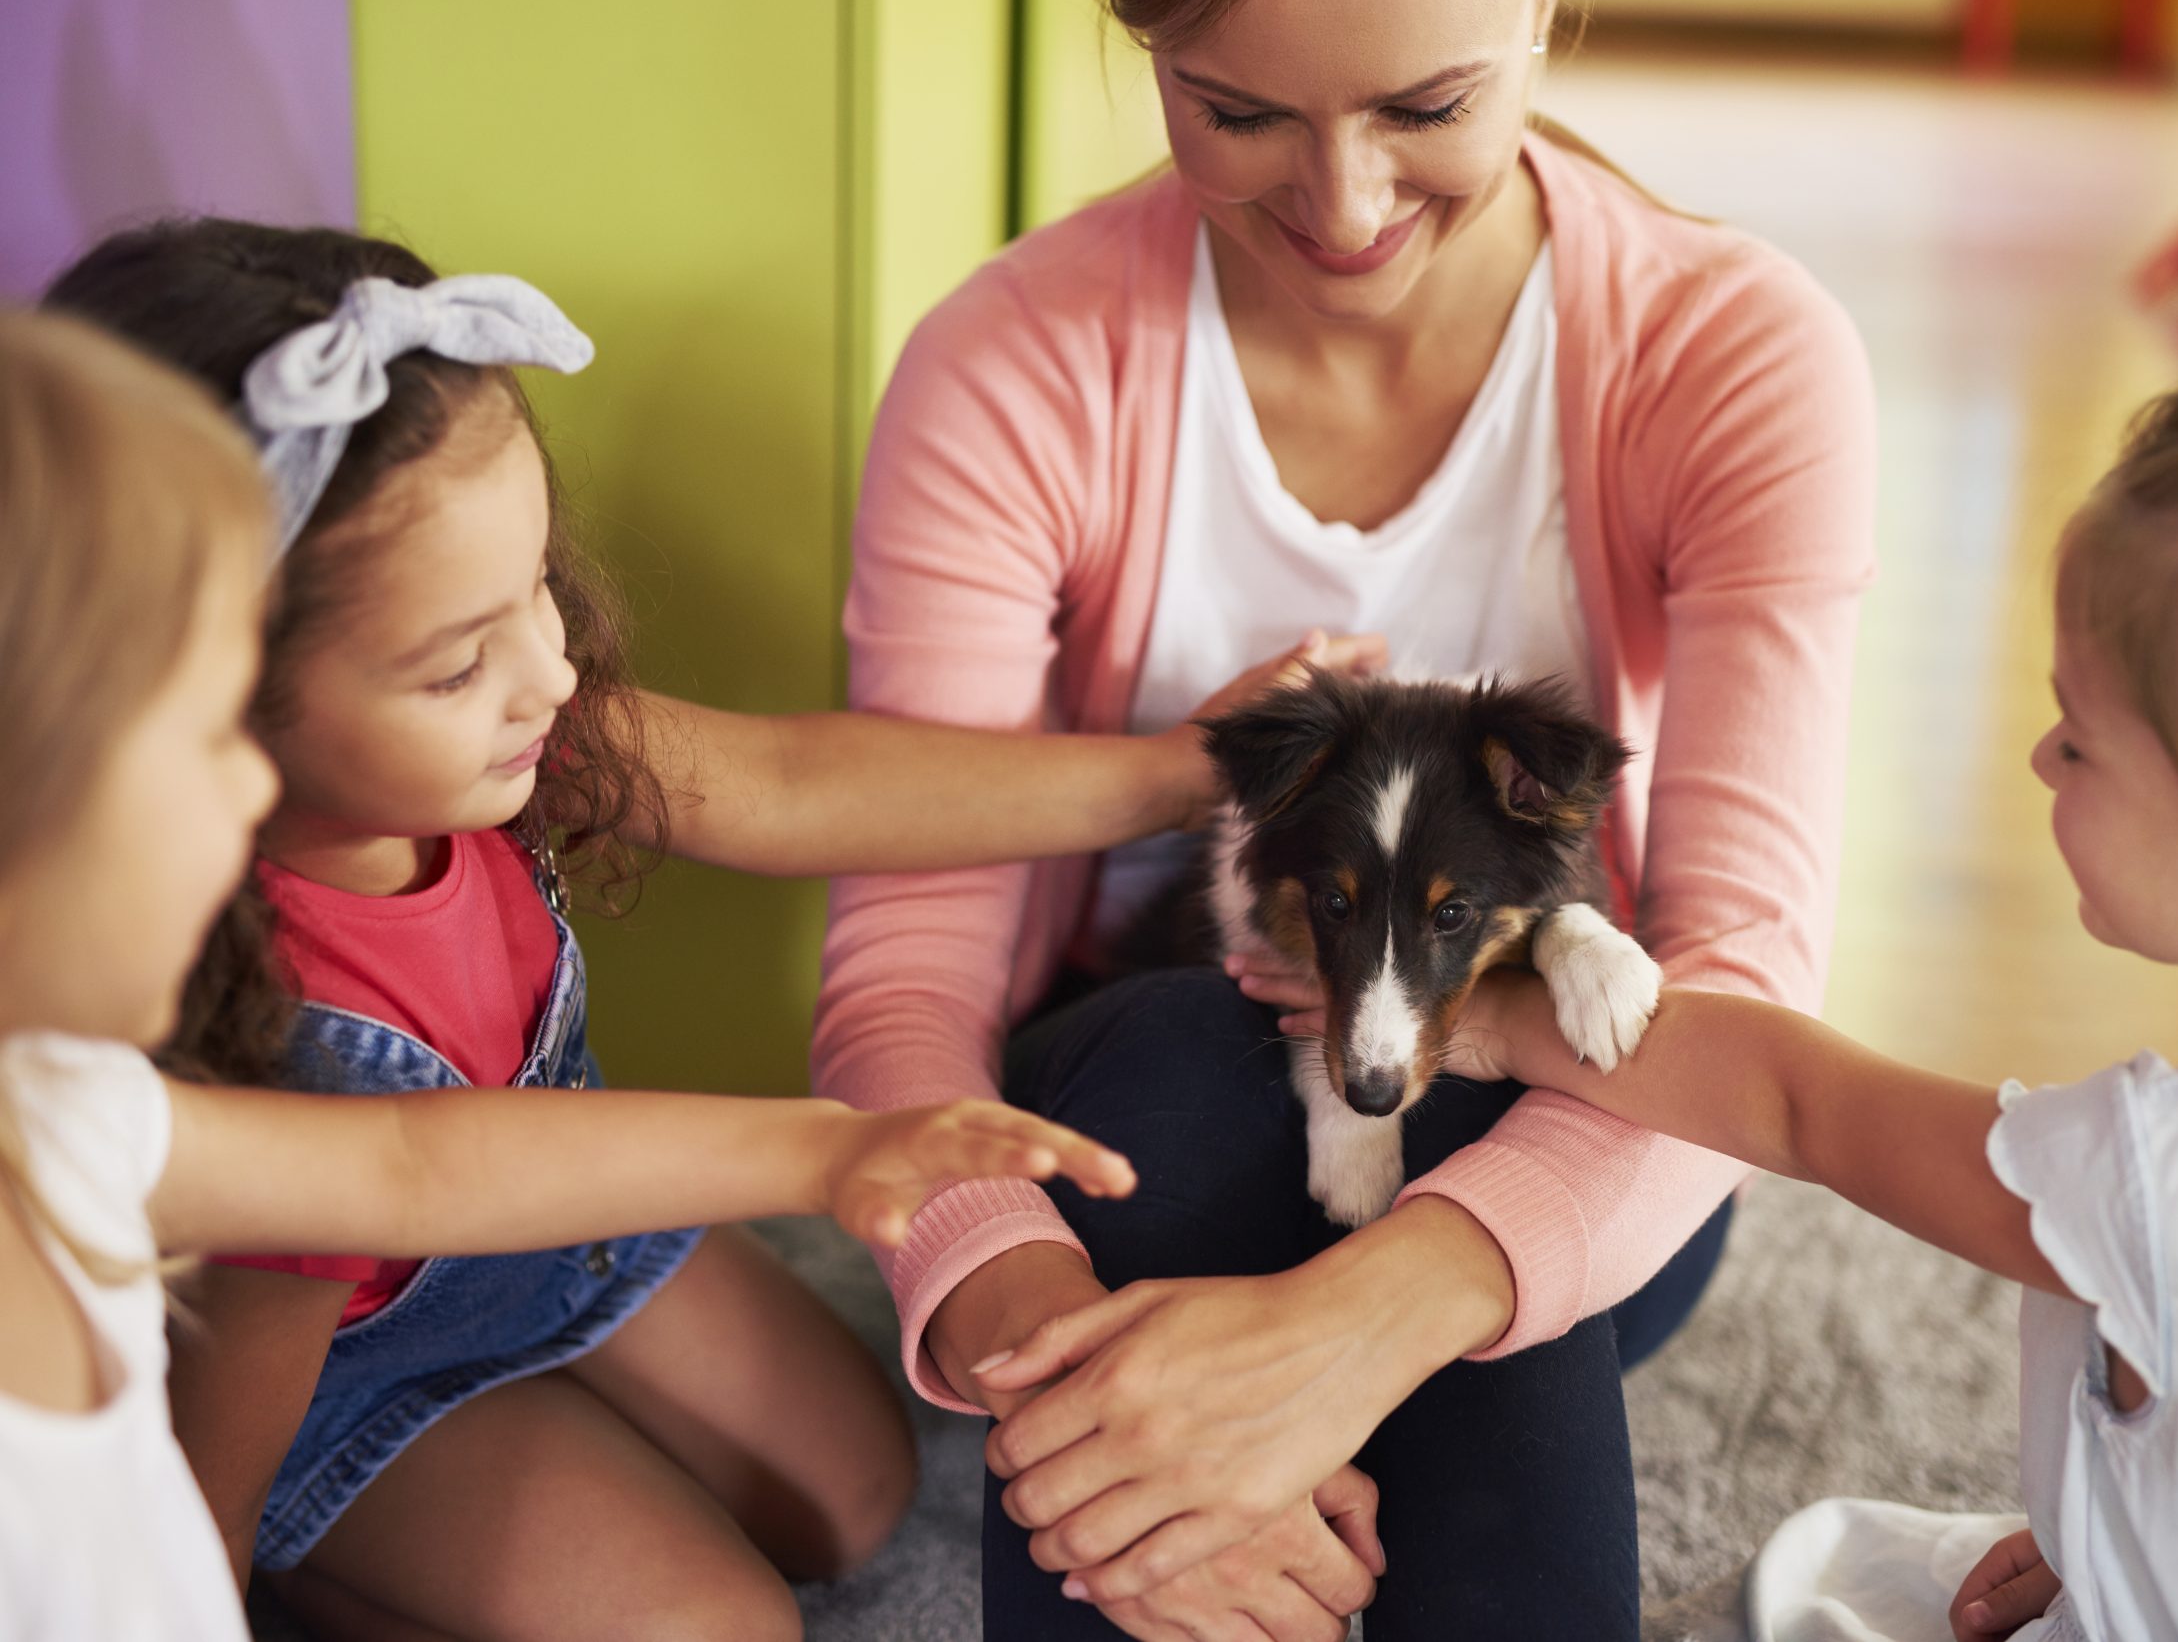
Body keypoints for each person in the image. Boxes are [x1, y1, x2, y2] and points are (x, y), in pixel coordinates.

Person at [42, 222, 1333, 1640]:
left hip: (565, 1226)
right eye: (458, 662)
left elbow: (797, 782)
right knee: (727, 1628)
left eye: (535, 585)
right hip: (352, 1372)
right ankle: (350, 1567)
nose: (547, 672)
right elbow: (234, 1428)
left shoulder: (505, 746)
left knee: (856, 1495)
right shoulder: (243, 1013)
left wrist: (1169, 770)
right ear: (219, 691)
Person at [818, 0, 1875, 1634]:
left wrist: (1371, 1316)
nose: (1344, 204)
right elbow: (902, 988)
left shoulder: (1730, 354)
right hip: (1131, 1115)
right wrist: (1051, 1368)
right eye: (1235, 112)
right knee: (1178, 1055)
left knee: (1467, 1068)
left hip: (1571, 1131)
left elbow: (1743, 976)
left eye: (1428, 105)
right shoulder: (1013, 364)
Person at [1271, 317, 2178, 1640]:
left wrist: (1492, 1015)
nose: (2042, 759)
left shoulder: (2173, 1174)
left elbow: (1793, 1101)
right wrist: (2127, 1533)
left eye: (2085, 740)